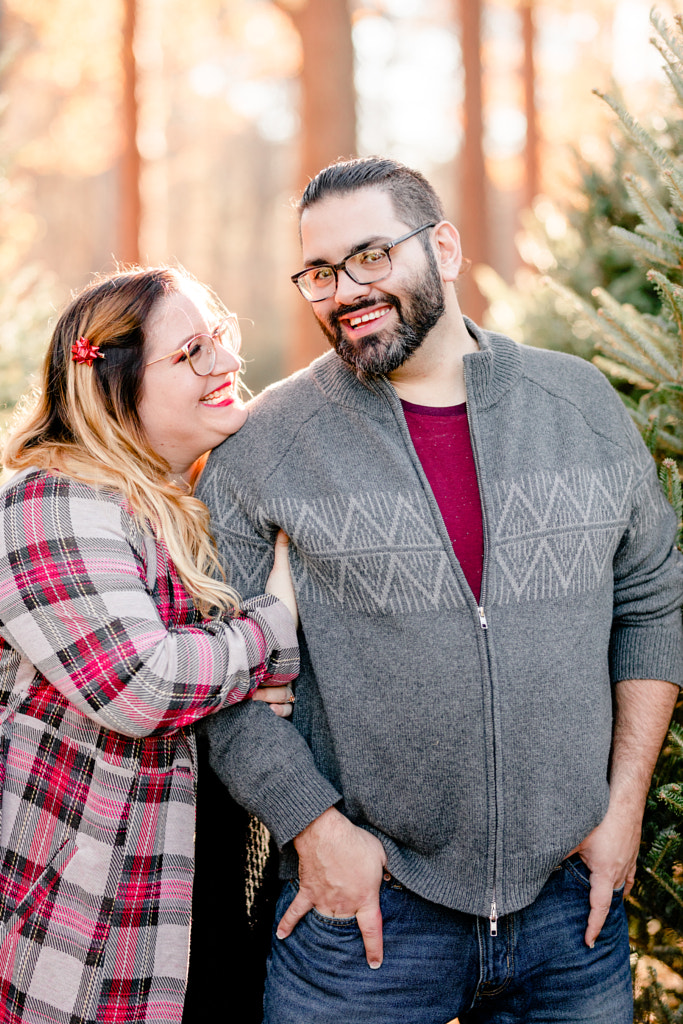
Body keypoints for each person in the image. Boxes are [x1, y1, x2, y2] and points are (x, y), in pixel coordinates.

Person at [197, 157, 683, 1024]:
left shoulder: (577, 403)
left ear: (444, 248)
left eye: (372, 256)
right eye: (320, 271)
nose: (345, 290)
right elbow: (205, 665)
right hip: (363, 914)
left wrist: (622, 811)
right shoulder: (267, 440)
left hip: (570, 908)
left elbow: (651, 600)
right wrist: (314, 828)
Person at [0, 266, 299, 1024]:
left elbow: (195, 673)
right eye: (192, 351)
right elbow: (142, 684)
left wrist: (223, 662)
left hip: (199, 898)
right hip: (80, 920)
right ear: (111, 387)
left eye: (222, 339)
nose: (229, 364)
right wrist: (270, 631)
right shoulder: (51, 503)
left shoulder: (185, 505)